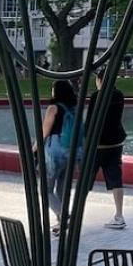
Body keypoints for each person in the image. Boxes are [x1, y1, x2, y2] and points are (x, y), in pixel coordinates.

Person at [34, 80, 81, 233]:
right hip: (71, 151)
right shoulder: (73, 108)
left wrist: (33, 149)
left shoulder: (53, 108)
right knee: (62, 188)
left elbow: (44, 131)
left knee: (45, 190)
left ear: (57, 91)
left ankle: (64, 216)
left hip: (54, 151)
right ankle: (62, 223)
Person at [86, 68, 127, 229]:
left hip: (98, 144)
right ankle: (119, 215)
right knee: (116, 178)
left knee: (86, 180)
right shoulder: (119, 95)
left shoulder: (97, 96)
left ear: (100, 80)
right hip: (116, 142)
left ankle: (73, 215)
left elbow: (90, 121)